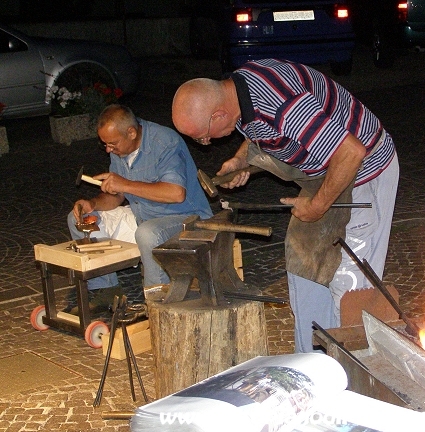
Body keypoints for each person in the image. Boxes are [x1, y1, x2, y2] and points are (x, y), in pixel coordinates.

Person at [171, 59, 399, 352]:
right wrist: (243, 159)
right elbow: (258, 129)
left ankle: (352, 367)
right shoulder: (238, 90)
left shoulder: (282, 106)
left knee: (349, 280)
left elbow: (350, 152)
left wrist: (317, 207)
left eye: (201, 135)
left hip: (364, 171)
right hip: (325, 172)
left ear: (218, 114)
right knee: (305, 268)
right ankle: (313, 361)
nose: (203, 143)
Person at [67, 104, 212, 308]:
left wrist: (124, 184)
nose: (108, 149)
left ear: (131, 132)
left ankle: (157, 303)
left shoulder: (164, 142)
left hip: (186, 217)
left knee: (147, 232)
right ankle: (107, 289)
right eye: (105, 145)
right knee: (78, 219)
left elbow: (176, 193)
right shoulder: (119, 146)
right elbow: (117, 196)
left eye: (113, 144)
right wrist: (92, 204)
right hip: (141, 214)